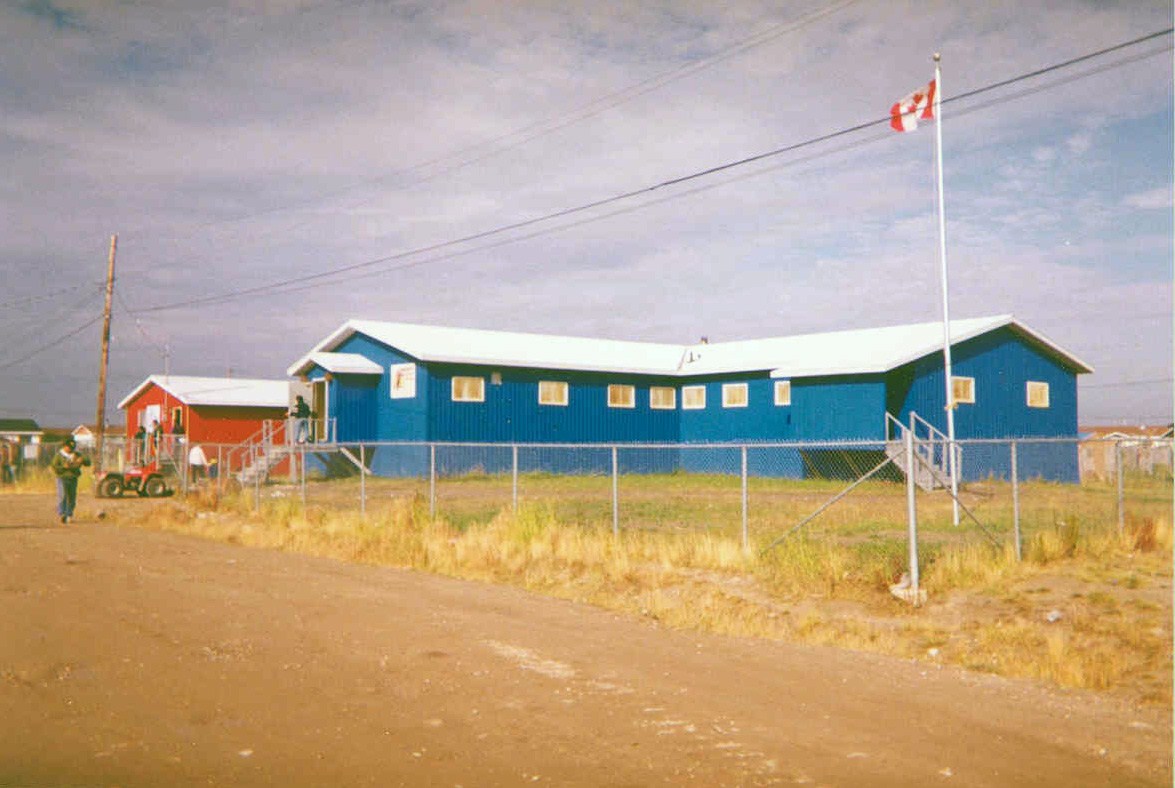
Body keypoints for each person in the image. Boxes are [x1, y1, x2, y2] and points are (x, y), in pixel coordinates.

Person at [51, 437, 90, 524]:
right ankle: (62, 514)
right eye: (68, 447)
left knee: (72, 497)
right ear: (64, 446)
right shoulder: (59, 456)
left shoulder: (77, 454)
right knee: (63, 495)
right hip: (62, 478)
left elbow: (88, 462)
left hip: (73, 478)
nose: (70, 449)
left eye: (72, 447)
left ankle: (69, 514)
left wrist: (82, 460)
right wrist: (63, 467)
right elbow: (54, 467)